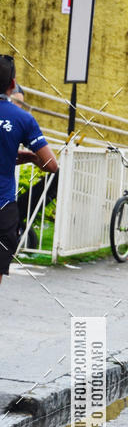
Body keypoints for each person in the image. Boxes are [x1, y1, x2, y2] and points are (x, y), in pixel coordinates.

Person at [0, 55, 57, 284]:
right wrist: (29, 158)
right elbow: (51, 165)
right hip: (3, 207)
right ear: (13, 84)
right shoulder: (23, 119)